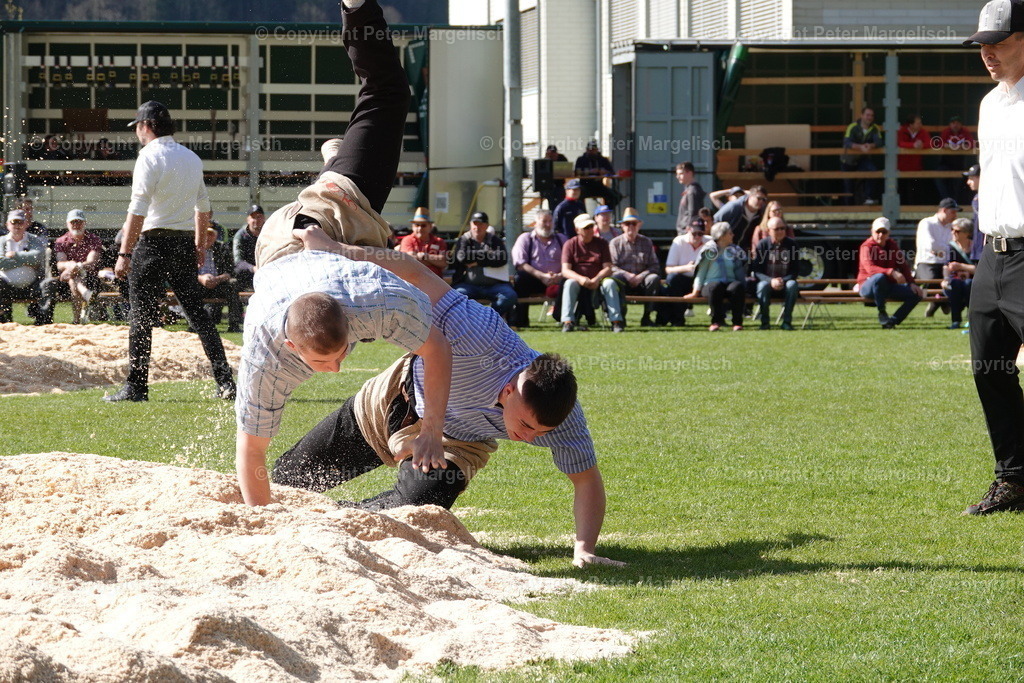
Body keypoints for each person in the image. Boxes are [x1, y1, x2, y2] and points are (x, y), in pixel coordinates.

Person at [269, 234, 623, 569]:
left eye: (540, 433)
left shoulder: (562, 417)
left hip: (458, 441)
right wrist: (337, 248)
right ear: (509, 391)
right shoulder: (479, 334)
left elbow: (587, 481)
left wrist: (584, 549)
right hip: (398, 398)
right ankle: (301, 515)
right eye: (527, 426)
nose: (530, 438)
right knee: (287, 479)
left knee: (414, 509)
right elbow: (415, 273)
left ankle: (331, 525)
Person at [235, 0, 455, 509]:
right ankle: (336, 160)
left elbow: (436, 345)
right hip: (288, 247)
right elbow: (250, 453)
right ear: (289, 346)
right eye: (325, 359)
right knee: (382, 108)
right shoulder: (264, 355)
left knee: (387, 94)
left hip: (319, 225)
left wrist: (433, 428)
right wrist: (263, 532)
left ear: (351, 316)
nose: (335, 371)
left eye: (336, 355)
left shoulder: (372, 296)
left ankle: (357, 9)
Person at [104, 99, 236, 402]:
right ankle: (225, 382)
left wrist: (124, 254)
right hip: (183, 243)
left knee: (141, 315)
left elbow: (138, 209)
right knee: (199, 316)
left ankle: (137, 387)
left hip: (152, 243)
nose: (137, 132)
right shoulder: (191, 157)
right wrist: (199, 245)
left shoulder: (148, 156)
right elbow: (203, 206)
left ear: (146, 126)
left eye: (138, 126)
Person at [961, 0, 1024, 514]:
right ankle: (1014, 480)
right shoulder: (988, 104)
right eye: (982, 44)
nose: (987, 53)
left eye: (998, 43)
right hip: (992, 255)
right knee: (990, 368)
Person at [38, 209, 104, 325]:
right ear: (67, 224)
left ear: (84, 223)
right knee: (73, 278)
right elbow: (60, 263)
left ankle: (76, 320)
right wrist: (70, 265)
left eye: (79, 222)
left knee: (73, 279)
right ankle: (85, 294)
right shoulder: (61, 241)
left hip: (90, 279)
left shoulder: (94, 239)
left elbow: (91, 263)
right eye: (73, 222)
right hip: (66, 282)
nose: (76, 225)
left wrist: (77, 266)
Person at [856, 216, 922, 329]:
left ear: (888, 233)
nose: (880, 235)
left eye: (884, 232)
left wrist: (912, 283)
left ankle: (892, 321)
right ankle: (882, 312)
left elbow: (903, 266)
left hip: (888, 286)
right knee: (879, 277)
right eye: (878, 231)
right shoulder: (866, 247)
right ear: (872, 231)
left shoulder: (892, 245)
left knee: (916, 294)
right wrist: (891, 272)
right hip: (868, 286)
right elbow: (870, 269)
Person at [561, 213, 621, 332]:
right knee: (569, 283)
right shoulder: (570, 244)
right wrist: (580, 279)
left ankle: (616, 322)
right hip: (578, 281)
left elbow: (608, 268)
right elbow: (565, 270)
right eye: (586, 228)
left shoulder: (602, 243)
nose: (590, 230)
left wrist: (597, 279)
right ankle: (568, 321)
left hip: (599, 279)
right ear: (577, 230)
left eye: (591, 226)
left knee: (610, 284)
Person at [685, 221, 747, 331]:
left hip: (729, 283)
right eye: (730, 233)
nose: (733, 235)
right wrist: (695, 292)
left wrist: (744, 287)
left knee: (737, 286)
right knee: (716, 287)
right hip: (711, 285)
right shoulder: (709, 250)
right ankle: (716, 322)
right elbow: (701, 272)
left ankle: (737, 323)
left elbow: (739, 272)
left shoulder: (734, 251)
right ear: (721, 236)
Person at [451, 216, 517, 319]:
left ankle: (490, 319)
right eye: (475, 224)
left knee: (510, 295)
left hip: (495, 286)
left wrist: (477, 262)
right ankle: (474, 321)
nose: (477, 227)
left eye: (481, 224)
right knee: (457, 296)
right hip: (468, 285)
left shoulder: (495, 240)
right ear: (470, 225)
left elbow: (501, 258)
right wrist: (487, 254)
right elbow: (462, 257)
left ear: (486, 226)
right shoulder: (464, 239)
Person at [510, 209, 567, 327]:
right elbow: (520, 263)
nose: (548, 224)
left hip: (558, 279)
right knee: (520, 278)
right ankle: (521, 320)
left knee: (569, 281)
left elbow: (571, 261)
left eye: (550, 221)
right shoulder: (525, 238)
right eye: (544, 221)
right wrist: (542, 276)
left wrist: (559, 275)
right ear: (535, 223)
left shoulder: (561, 239)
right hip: (534, 279)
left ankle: (562, 317)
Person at [608, 207, 662, 327]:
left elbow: (654, 265)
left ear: (639, 225)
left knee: (653, 278)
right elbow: (612, 266)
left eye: (634, 223)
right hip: (623, 280)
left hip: (642, 281)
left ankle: (647, 316)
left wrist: (640, 276)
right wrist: (627, 275)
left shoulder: (647, 242)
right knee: (615, 279)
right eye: (627, 224)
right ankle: (621, 317)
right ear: (622, 226)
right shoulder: (615, 243)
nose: (631, 226)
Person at [660, 217, 712, 326]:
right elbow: (668, 269)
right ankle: (677, 319)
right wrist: (687, 268)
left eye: (700, 234)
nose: (697, 237)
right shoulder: (679, 242)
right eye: (694, 234)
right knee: (672, 279)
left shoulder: (710, 242)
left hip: (703, 280)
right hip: (683, 280)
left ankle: (718, 319)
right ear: (688, 230)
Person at [750, 217, 800, 330]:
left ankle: (787, 322)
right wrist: (771, 281)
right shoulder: (762, 245)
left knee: (792, 285)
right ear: (769, 230)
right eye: (777, 229)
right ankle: (765, 323)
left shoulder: (792, 245)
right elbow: (757, 271)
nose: (781, 231)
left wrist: (783, 280)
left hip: (785, 283)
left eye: (783, 228)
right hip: (767, 283)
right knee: (762, 286)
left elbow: (795, 271)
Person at [915, 197, 959, 317]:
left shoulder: (951, 226)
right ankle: (942, 302)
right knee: (933, 279)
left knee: (955, 281)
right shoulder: (926, 223)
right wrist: (946, 248)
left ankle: (937, 303)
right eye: (953, 212)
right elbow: (931, 245)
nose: (955, 215)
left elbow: (951, 247)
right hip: (926, 262)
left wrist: (940, 250)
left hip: (945, 263)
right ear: (944, 210)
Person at [0, 209, 46, 324]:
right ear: (7, 224)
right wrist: (26, 261)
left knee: (49, 284)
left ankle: (43, 321)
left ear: (26, 224)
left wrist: (15, 255)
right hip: (6, 286)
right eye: (14, 222)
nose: (17, 225)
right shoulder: (1, 241)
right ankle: (3, 319)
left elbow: (37, 257)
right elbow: (1, 262)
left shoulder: (34, 239)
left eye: (20, 222)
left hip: (32, 286)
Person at [197, 227, 243, 333]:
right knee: (189, 285)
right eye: (205, 234)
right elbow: (186, 272)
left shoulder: (222, 248)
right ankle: (194, 325)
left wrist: (217, 279)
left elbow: (230, 272)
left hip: (218, 284)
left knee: (233, 284)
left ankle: (234, 324)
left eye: (211, 235)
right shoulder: (194, 248)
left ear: (216, 236)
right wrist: (201, 278)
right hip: (198, 284)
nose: (208, 237)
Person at [842, 107, 883, 204]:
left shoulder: (875, 128)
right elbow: (847, 142)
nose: (870, 117)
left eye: (872, 115)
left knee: (873, 171)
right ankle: (848, 211)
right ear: (862, 115)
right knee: (849, 188)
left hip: (862, 159)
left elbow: (879, 142)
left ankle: (868, 197)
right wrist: (860, 147)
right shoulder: (853, 126)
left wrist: (870, 145)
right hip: (848, 160)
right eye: (867, 115)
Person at [713, 184, 768, 253]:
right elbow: (715, 221)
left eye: (764, 200)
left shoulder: (761, 213)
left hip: (744, 251)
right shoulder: (734, 206)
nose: (761, 202)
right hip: (725, 248)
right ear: (750, 196)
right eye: (759, 198)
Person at [944, 217, 977, 329]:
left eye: (957, 231)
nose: (953, 232)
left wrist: (961, 266)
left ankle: (972, 319)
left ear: (967, 233)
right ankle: (956, 321)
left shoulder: (975, 247)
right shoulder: (951, 247)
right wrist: (945, 279)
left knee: (969, 284)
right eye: (952, 229)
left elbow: (979, 269)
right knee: (955, 284)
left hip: (974, 282)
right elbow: (946, 266)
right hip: (955, 281)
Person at [397, 206, 448, 278]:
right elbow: (408, 260)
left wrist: (424, 256)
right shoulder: (407, 240)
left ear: (430, 227)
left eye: (423, 225)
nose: (420, 228)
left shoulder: (439, 241)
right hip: (413, 280)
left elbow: (443, 262)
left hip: (435, 280)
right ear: (412, 227)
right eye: (417, 225)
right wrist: (433, 262)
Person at [936, 115, 978, 202]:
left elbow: (972, 144)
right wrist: (949, 146)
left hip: (958, 163)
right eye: (953, 123)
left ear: (961, 124)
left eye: (958, 123)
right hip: (945, 162)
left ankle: (953, 203)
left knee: (956, 185)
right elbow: (939, 143)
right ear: (950, 124)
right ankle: (946, 201)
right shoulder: (946, 131)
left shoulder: (964, 131)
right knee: (939, 179)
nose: (955, 125)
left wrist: (963, 146)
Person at [573, 140, 620, 207]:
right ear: (586, 150)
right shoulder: (581, 159)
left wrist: (603, 171)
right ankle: (583, 212)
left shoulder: (603, 160)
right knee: (578, 197)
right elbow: (576, 173)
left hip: (599, 186)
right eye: (590, 150)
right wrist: (589, 171)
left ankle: (605, 211)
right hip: (585, 186)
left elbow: (612, 172)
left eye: (593, 150)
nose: (591, 151)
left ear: (597, 150)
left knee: (616, 196)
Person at [897, 114, 930, 206]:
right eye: (918, 123)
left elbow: (929, 143)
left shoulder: (922, 131)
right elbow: (899, 143)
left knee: (916, 193)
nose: (920, 125)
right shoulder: (901, 131)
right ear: (910, 125)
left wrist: (922, 145)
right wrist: (913, 145)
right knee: (903, 193)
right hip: (902, 168)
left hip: (916, 167)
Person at [232, 204, 264, 291]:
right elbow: (238, 261)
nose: (256, 220)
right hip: (248, 272)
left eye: (259, 217)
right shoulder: (240, 235)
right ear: (248, 220)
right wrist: (253, 268)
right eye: (253, 217)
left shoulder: (269, 233)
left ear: (264, 218)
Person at [675, 161, 707, 235]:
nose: (677, 176)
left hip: (687, 232)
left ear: (689, 173)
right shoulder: (689, 190)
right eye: (677, 174)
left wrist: (689, 230)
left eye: (681, 174)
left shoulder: (692, 191)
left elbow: (693, 213)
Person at [539, 144, 569, 210]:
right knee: (550, 200)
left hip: (559, 185)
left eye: (553, 152)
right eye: (550, 153)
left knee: (560, 200)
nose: (552, 154)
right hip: (548, 186)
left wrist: (555, 160)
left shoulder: (562, 158)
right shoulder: (543, 161)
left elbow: (567, 171)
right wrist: (548, 160)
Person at [965, 164, 984, 260]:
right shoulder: (978, 197)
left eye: (972, 178)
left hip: (986, 248)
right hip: (978, 247)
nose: (968, 182)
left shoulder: (987, 196)